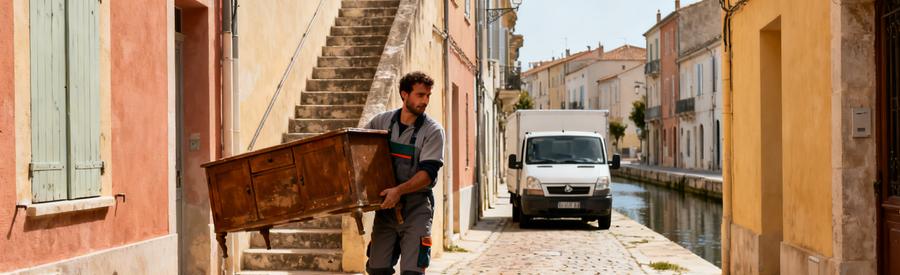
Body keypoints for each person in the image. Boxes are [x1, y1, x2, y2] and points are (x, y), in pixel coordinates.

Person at [364, 71, 445, 275]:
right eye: (420, 95)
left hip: (417, 209)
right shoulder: (380, 123)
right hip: (386, 210)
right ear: (404, 95)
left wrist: (398, 191)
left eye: (428, 95)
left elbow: (428, 173)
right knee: (376, 269)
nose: (425, 101)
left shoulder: (433, 131)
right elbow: (359, 152)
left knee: (412, 272)